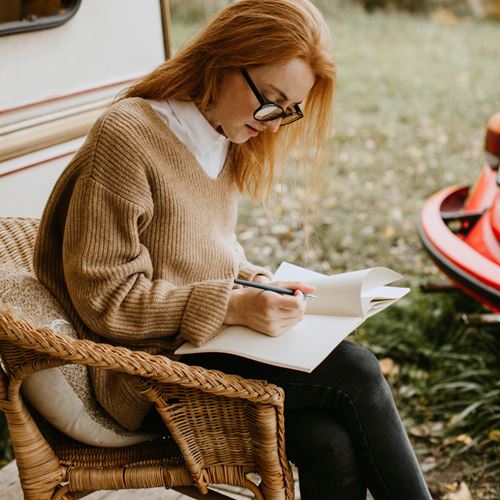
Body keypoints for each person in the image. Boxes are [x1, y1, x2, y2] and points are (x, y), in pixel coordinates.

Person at [33, 0, 432, 498]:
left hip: (203, 349)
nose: (271, 123)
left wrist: (257, 282)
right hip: (144, 372)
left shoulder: (220, 135)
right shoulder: (129, 136)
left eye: (288, 111)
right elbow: (106, 299)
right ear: (223, 61)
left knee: (326, 443)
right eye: (269, 98)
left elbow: (210, 255)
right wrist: (234, 304)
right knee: (357, 371)